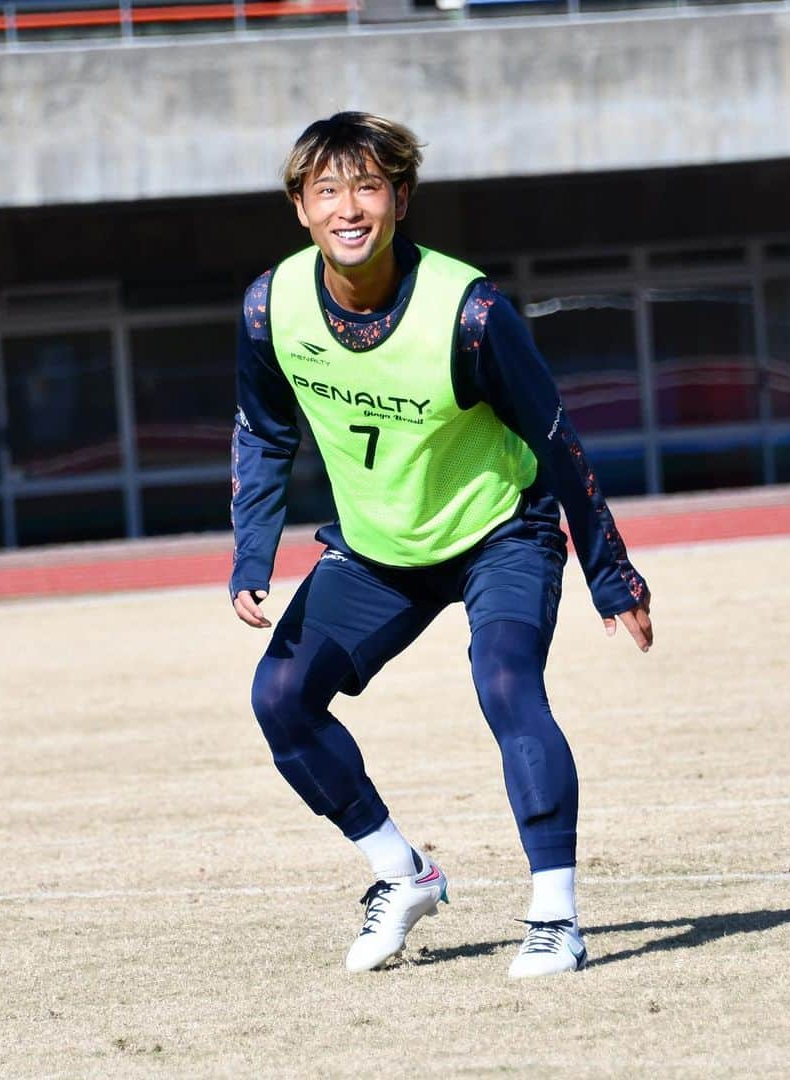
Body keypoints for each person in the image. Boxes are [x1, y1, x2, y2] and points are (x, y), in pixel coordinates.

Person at [230, 112, 652, 978]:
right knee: (280, 698)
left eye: (368, 187)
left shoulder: (471, 310)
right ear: (301, 209)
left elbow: (559, 436)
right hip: (381, 548)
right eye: (327, 191)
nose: (349, 208)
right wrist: (251, 553)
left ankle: (556, 917)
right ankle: (403, 872)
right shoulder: (271, 306)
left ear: (400, 198)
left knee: (504, 681)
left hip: (501, 529)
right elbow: (263, 431)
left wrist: (610, 571)